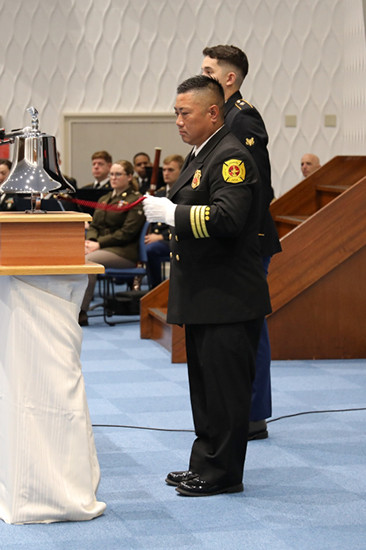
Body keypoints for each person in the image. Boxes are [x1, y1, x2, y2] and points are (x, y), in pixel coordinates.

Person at [143, 75, 271, 497]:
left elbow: (229, 220)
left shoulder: (231, 157)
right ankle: (205, 463)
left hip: (227, 296)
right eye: (176, 113)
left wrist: (172, 214)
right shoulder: (203, 154)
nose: (178, 121)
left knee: (225, 391)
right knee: (206, 389)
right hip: (205, 294)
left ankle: (223, 474)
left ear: (212, 112)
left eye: (185, 113)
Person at [202, 44, 282, 441]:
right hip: (230, 239)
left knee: (251, 326)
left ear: (229, 78)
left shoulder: (242, 118)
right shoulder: (220, 117)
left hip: (248, 238)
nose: (202, 75)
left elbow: (256, 187)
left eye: (208, 69)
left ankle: (253, 413)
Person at [79, 160, 145, 326]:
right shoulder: (105, 198)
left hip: (124, 252)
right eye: (111, 175)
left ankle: (81, 312)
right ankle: (69, 307)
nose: (113, 178)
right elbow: (94, 225)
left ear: (129, 177)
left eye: (118, 174)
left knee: (89, 262)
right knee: (73, 256)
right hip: (100, 247)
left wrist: (98, 244)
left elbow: (127, 233)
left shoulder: (136, 200)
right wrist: (91, 241)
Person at [143, 154, 183, 288]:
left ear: (181, 171)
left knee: (150, 250)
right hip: (156, 238)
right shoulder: (159, 194)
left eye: (170, 170)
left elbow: (181, 219)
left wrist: (161, 236)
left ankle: (155, 288)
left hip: (174, 238)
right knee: (143, 247)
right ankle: (153, 290)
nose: (166, 173)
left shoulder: (184, 194)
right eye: (164, 170)